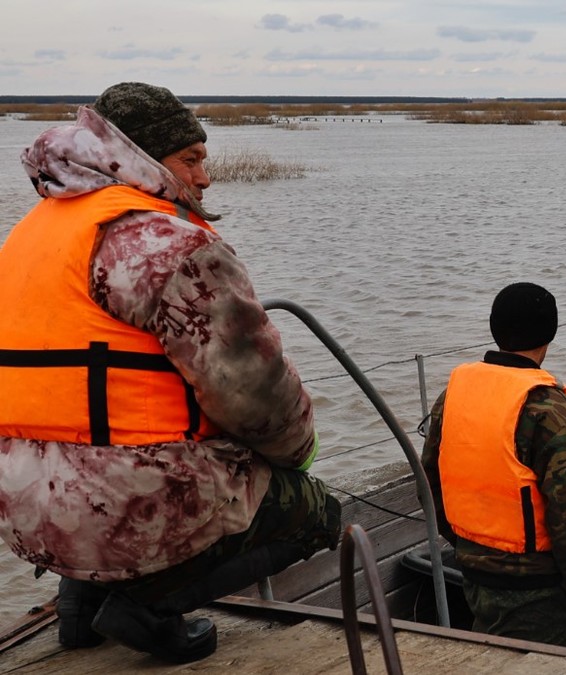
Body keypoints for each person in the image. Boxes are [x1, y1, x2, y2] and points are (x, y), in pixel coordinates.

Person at [0, 82, 340, 663]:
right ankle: (148, 608)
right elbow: (252, 394)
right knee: (313, 509)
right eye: (191, 160)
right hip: (125, 506)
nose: (205, 178)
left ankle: (81, 608)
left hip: (23, 510)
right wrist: (296, 453)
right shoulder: (167, 244)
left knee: (102, 464)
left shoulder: (34, 232)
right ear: (143, 158)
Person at [420, 282, 566, 648]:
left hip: (473, 575)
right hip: (540, 592)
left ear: (495, 328)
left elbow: (429, 482)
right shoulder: (555, 412)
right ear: (550, 333)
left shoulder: (454, 395)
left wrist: (468, 546)